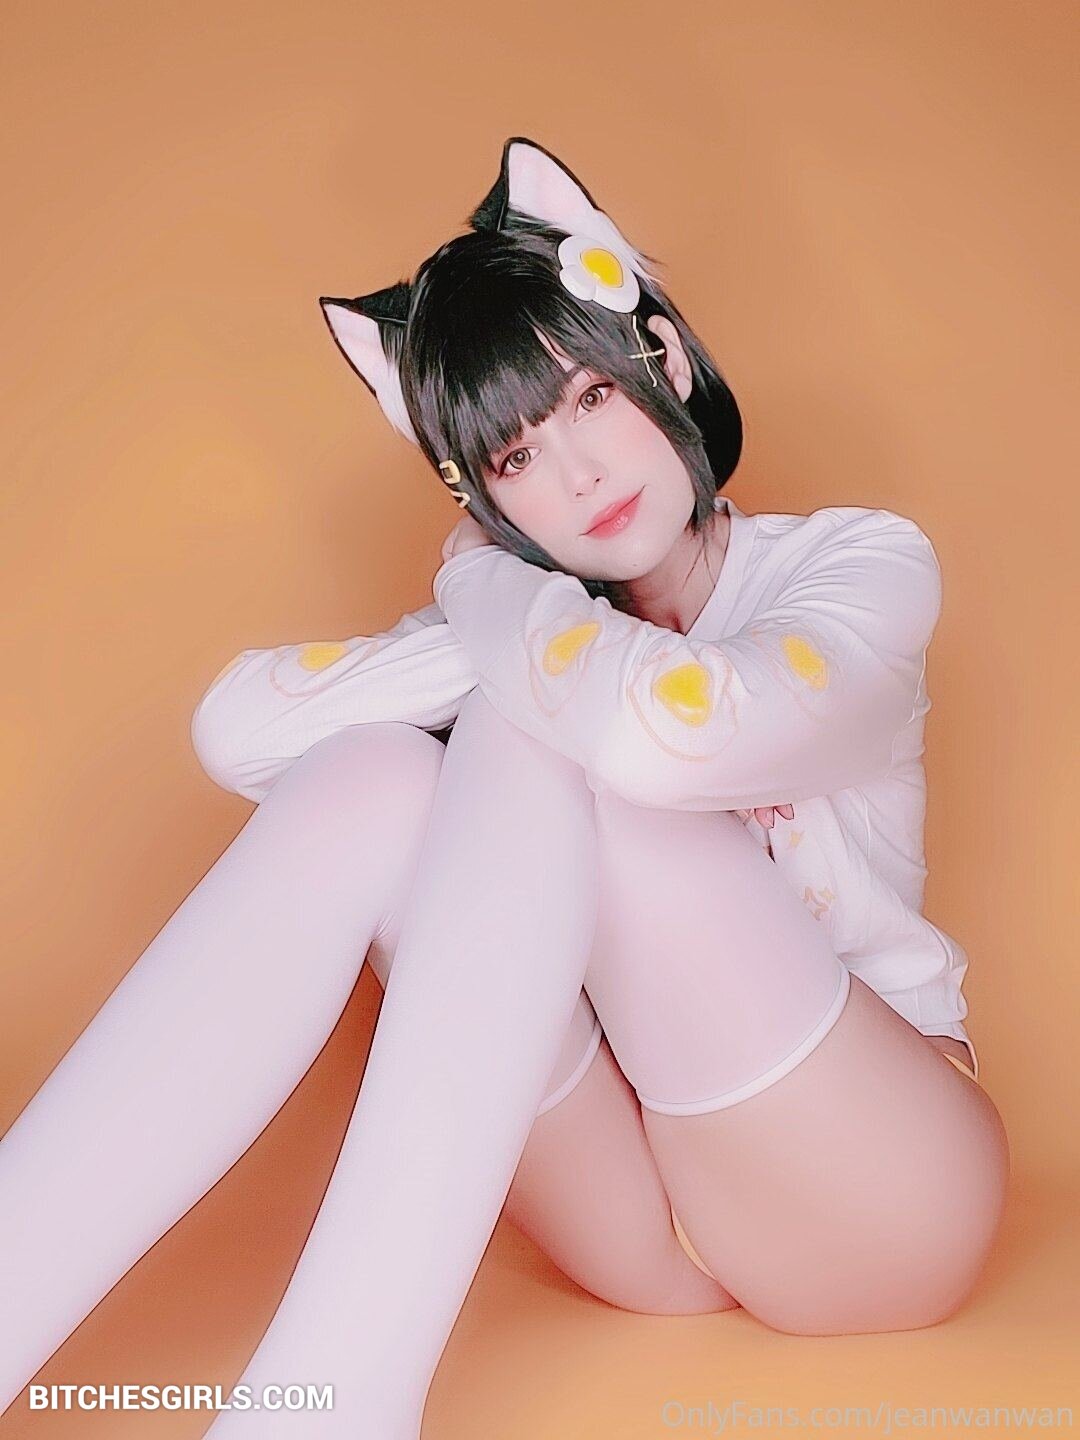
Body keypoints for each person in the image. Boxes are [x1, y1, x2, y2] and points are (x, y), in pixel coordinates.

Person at [0, 136, 1009, 1437]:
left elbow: (664, 739)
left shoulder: (859, 565)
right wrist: (497, 587)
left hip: (877, 1202)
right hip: (645, 1222)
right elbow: (240, 729)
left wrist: (485, 578)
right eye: (515, 459)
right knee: (375, 772)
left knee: (538, 728)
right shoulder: (525, 624)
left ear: (667, 363)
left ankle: (325, 1407)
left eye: (588, 399)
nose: (576, 474)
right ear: (483, 495)